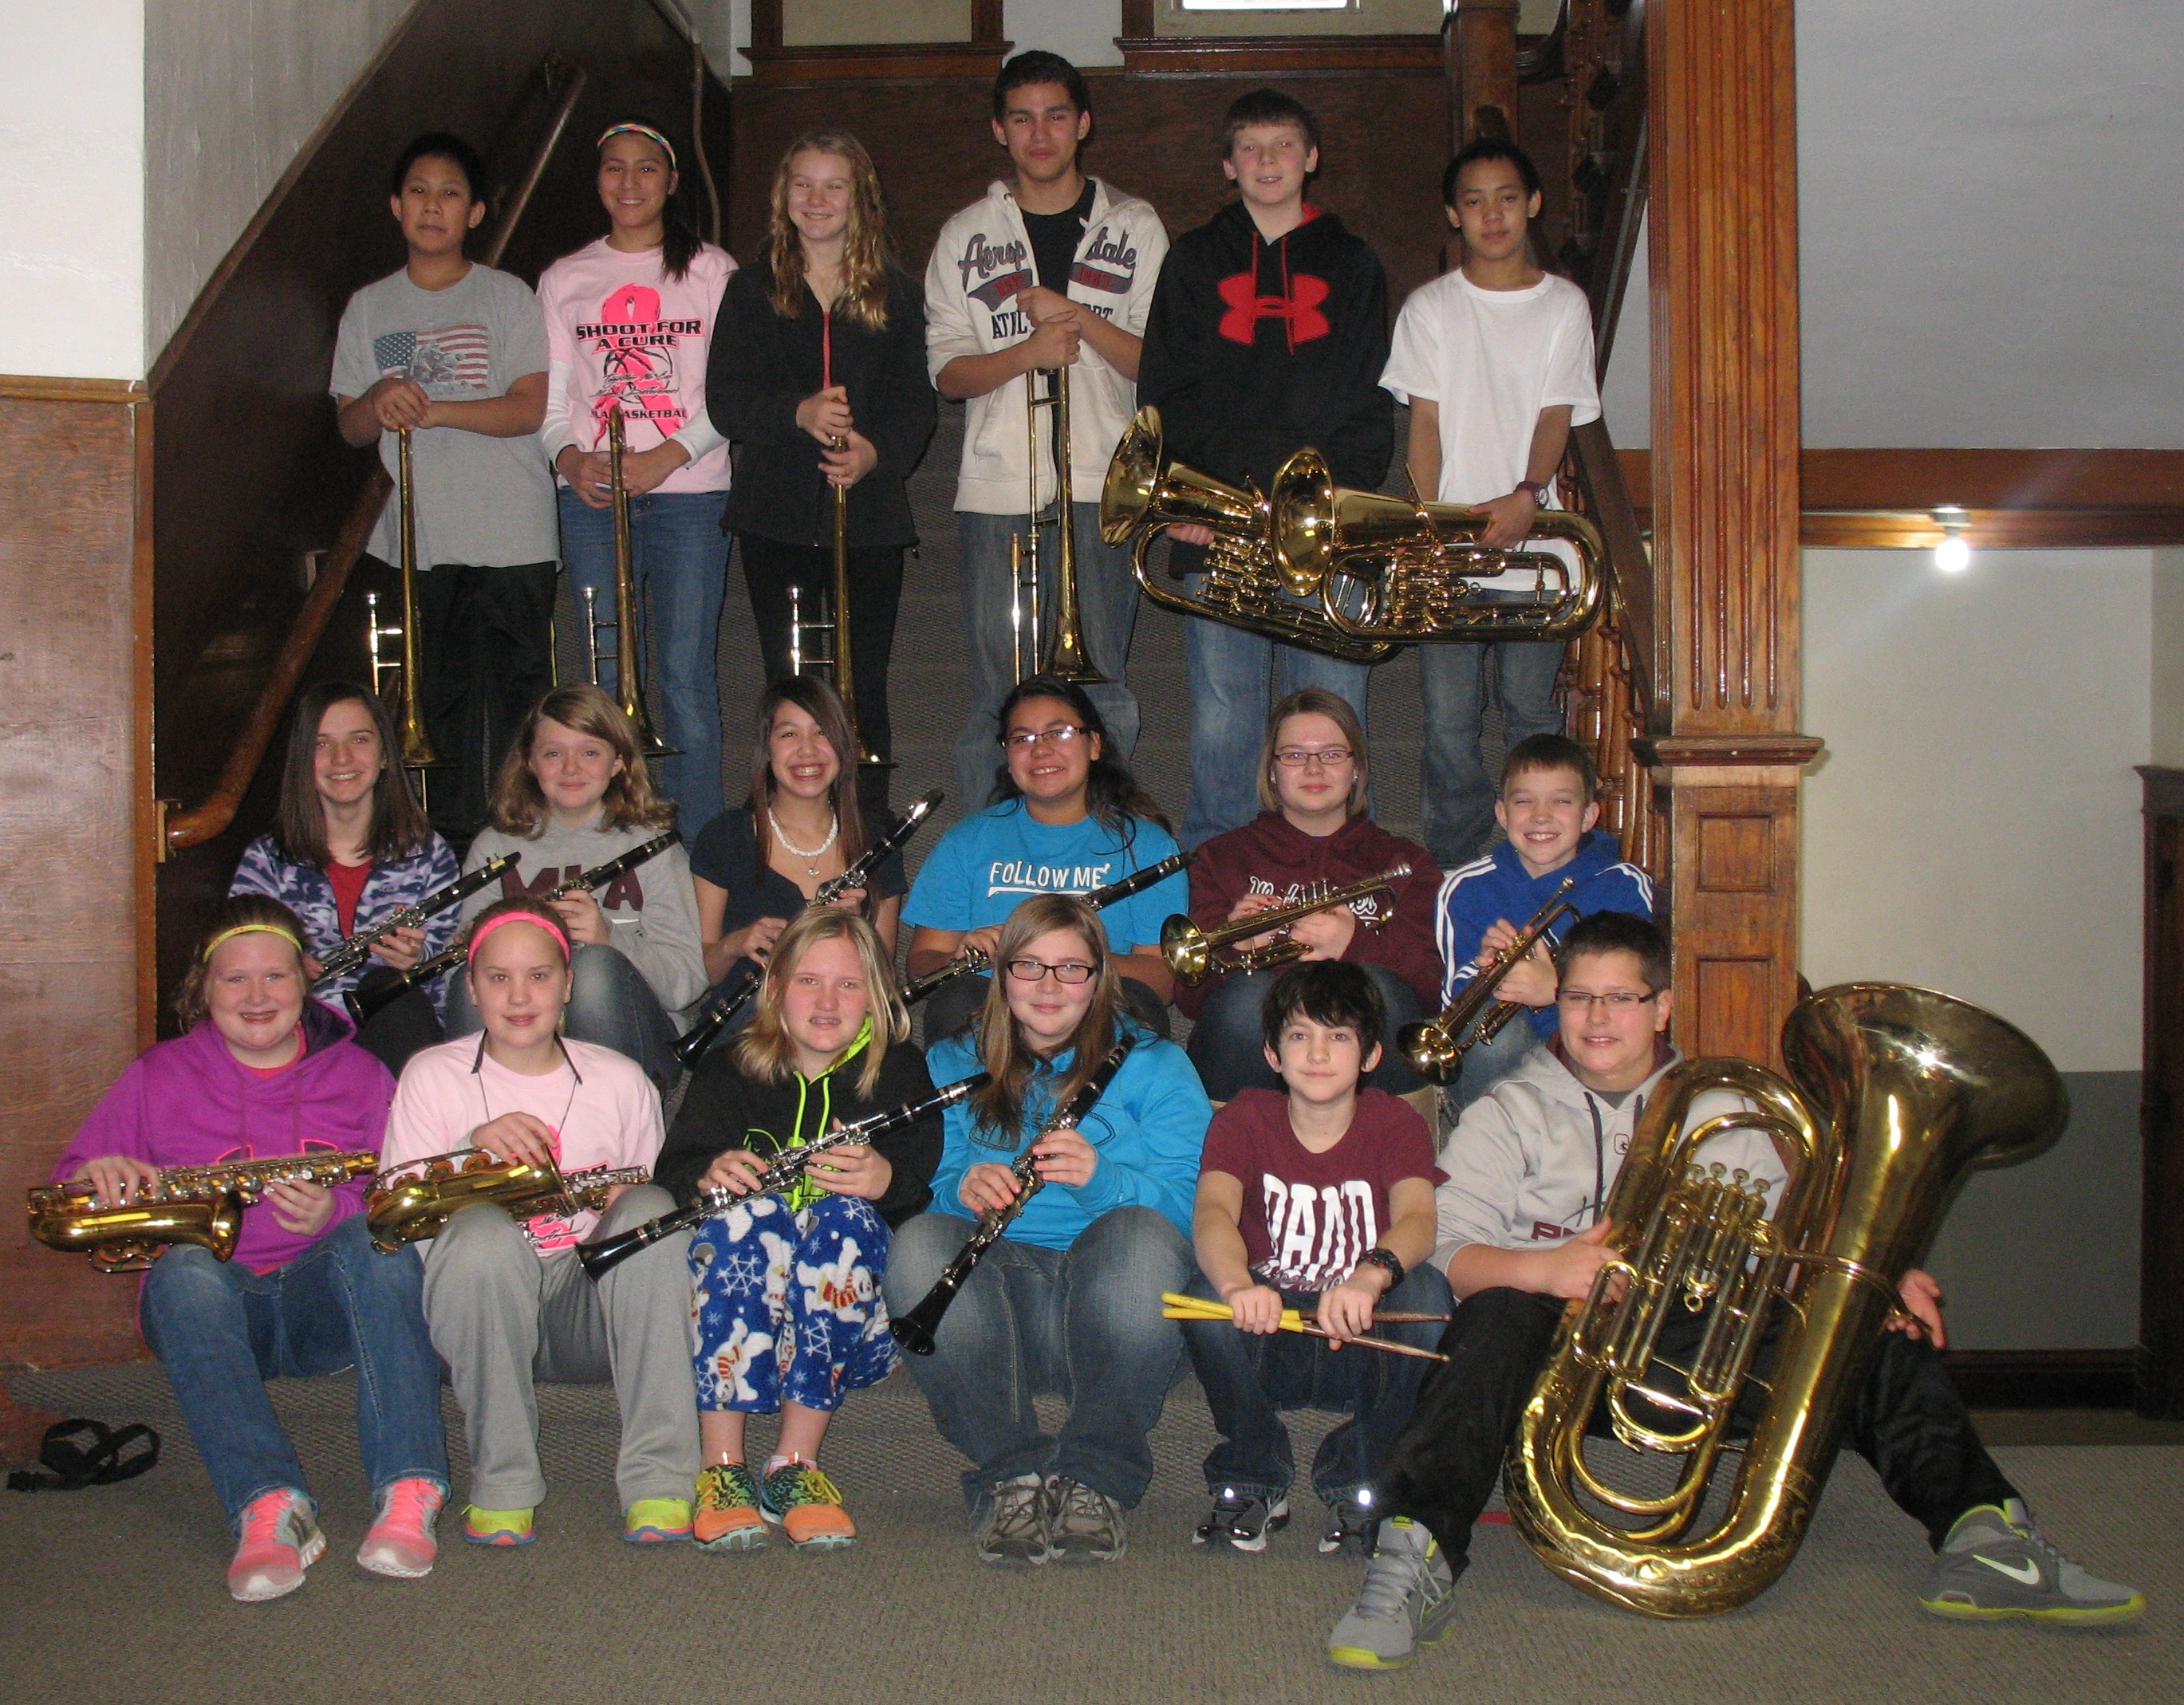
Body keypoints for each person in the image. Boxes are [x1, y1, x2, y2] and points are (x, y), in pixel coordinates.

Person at [1326, 912, 2146, 1670]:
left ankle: (1981, 1537)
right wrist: (1537, 1270)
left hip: (1692, 1340)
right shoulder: (1507, 1110)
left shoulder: (1729, 1107)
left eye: (1620, 996)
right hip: (1555, 1344)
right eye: (1577, 995)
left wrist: (1874, 1275)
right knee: (1492, 1313)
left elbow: (1783, 1252)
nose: (1596, 1015)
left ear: (1662, 1006)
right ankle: (1415, 1548)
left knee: (1861, 1331)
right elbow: (1452, 1248)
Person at [53, 896, 447, 1601]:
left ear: (306, 981)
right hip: (210, 1309)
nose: (258, 996)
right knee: (182, 1269)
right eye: (235, 980)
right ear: (202, 991)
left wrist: (338, 1210)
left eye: (276, 976)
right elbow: (70, 1183)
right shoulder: (156, 1075)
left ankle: (410, 1484)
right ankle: (269, 1505)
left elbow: (406, 1197)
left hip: (326, 1308)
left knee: (378, 1241)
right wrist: (97, 1177)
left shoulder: (361, 1075)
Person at [884, 895, 1212, 1567]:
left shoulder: (1156, 1065)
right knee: (917, 1244)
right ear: (1001, 974)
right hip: (1007, 1311)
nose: (1050, 987)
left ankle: (1096, 1477)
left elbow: (1196, 1210)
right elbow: (933, 1179)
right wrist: (961, 1188)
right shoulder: (952, 1061)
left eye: (1072, 969)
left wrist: (1103, 1179)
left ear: (1101, 978)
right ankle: (1011, 1473)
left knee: (1142, 1239)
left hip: (1123, 1313)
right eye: (1029, 967)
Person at [381, 896, 698, 1546]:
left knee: (652, 1211)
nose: (519, 996)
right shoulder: (431, 1076)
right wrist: (469, 1157)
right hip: (479, 1315)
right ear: (471, 987)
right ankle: (502, 1482)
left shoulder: (622, 1080)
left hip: (590, 1314)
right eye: (498, 978)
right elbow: (396, 1222)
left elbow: (639, 1212)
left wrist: (618, 1210)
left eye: (540, 976)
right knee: (476, 1235)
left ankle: (661, 1477)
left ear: (569, 986)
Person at [1135, 89, 1394, 849]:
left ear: (1311, 159)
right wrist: (1186, 502)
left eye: (1284, 145)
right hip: (1219, 528)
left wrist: (1334, 502)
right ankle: (1218, 885)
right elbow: (1165, 392)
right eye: (1251, 146)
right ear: (1228, 164)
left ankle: (1344, 876)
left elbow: (1370, 393)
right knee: (1224, 719)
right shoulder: (1192, 261)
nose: (1269, 159)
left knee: (1332, 713)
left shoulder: (1352, 264)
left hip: (1324, 525)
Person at [652, 909, 944, 1553]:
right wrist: (708, 1172)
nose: (827, 1000)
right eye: (808, 980)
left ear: (876, 996)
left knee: (844, 1221)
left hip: (847, 1324)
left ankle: (794, 1466)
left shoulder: (899, 1073)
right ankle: (722, 1467)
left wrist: (884, 1180)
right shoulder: (729, 1069)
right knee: (745, 1215)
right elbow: (671, 1169)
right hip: (732, 1306)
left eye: (848, 984)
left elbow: (920, 1185)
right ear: (775, 989)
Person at [925, 50, 1169, 816]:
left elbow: (1158, 364)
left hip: (1105, 483)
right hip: (999, 489)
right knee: (999, 689)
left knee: (1103, 687)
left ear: (1083, 124)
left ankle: (1103, 850)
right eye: (1023, 117)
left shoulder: (1134, 225)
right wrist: (1027, 354)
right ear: (1000, 129)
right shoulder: (966, 233)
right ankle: (991, 859)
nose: (1041, 133)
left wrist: (1079, 320)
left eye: (1057, 115)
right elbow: (945, 371)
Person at [1380, 138, 1603, 870]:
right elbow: (1425, 424)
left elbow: (1555, 414)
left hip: (1538, 543)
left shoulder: (1564, 304)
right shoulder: (1430, 307)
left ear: (1533, 203)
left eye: (1507, 196)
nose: (1493, 214)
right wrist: (1435, 525)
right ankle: (1457, 863)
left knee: (1530, 709)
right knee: (1448, 718)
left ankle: (1545, 856)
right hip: (1450, 548)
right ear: (1453, 215)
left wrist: (1526, 498)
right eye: (1473, 201)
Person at [1180, 961, 1451, 1557]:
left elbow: (1419, 1221)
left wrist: (1369, 1276)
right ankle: (1251, 1469)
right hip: (1269, 1327)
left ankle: (1361, 1474)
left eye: (1340, 1036)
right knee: (1201, 1297)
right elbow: (1212, 1215)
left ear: (1372, 1055)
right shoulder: (1244, 1119)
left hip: (1360, 1337)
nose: (1319, 1053)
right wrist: (1233, 1286)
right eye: (1300, 1036)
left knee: (1429, 1294)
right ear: (1273, 1055)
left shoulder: (1395, 1122)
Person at [332, 131, 557, 848]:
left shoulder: (506, 296)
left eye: (451, 193)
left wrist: (430, 406)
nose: (434, 206)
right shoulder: (368, 307)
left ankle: (523, 850)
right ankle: (449, 859)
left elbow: (527, 407)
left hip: (512, 533)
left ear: (478, 213)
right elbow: (350, 426)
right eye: (420, 192)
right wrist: (380, 398)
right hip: (418, 542)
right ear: (397, 207)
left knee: (518, 704)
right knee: (434, 709)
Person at [708, 129, 935, 810]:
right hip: (775, 515)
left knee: (864, 683)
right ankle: (789, 829)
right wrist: (797, 413)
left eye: (833, 185)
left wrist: (875, 454)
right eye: (802, 185)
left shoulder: (896, 292)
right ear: (783, 196)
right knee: (792, 682)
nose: (817, 199)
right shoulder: (750, 290)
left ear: (859, 198)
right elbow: (726, 401)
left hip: (867, 519)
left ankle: (864, 831)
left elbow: (915, 406)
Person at [538, 119, 738, 834]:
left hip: (690, 494)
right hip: (592, 499)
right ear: (597, 180)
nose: (629, 183)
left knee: (685, 678)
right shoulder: (565, 278)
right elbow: (553, 399)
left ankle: (698, 851)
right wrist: (567, 456)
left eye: (646, 169)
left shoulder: (712, 271)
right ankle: (610, 839)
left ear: (672, 180)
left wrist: (667, 455)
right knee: (602, 678)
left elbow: (733, 392)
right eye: (615, 168)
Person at [1176, 688, 1442, 1101]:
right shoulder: (1219, 857)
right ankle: (1232, 1153)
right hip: (1256, 1049)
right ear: (1271, 771)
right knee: (1246, 1000)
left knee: (1379, 991)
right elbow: (1189, 1003)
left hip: (1366, 1060)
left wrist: (1355, 943)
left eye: (1333, 754)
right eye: (1295, 755)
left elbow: (1432, 988)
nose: (1314, 768)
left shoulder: (1406, 862)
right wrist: (1234, 947)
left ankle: (1386, 1153)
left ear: (1357, 769)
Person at [902, 674, 1186, 1042]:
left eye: (1059, 733)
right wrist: (957, 958)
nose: (1040, 750)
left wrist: (1071, 958)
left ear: (1095, 745)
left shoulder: (1148, 846)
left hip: (1094, 1012)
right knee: (955, 1003)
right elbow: (922, 961)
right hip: (995, 1014)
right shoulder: (968, 840)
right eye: (1022, 739)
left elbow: (1161, 985)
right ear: (1007, 755)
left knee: (1136, 1008)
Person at [451, 685, 706, 1090]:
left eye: (590, 752)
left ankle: (604, 1121)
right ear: (530, 762)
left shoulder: (652, 846)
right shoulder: (494, 847)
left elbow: (686, 983)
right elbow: (464, 962)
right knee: (473, 977)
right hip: (524, 1035)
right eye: (553, 753)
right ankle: (484, 1114)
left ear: (619, 762)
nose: (571, 769)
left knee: (593, 969)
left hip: (637, 1044)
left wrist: (611, 940)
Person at [229, 681, 458, 1076]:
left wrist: (419, 960)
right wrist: (284, 962)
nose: (342, 758)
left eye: (360, 740)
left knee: (391, 989)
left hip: (402, 1043)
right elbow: (234, 956)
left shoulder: (429, 854)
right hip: (297, 1040)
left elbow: (453, 977)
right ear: (303, 759)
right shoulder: (266, 859)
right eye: (321, 744)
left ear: (385, 753)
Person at [1434, 733, 1651, 1111]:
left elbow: (1637, 996)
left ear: (1588, 816)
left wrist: (1558, 991)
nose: (1541, 816)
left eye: (1562, 801)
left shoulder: (1623, 887)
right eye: (1524, 801)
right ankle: (1494, 1149)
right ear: (1501, 814)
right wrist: (1487, 974)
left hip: (1590, 1049)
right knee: (1490, 1038)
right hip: (1500, 1063)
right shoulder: (1464, 889)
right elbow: (1454, 1011)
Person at [687, 677, 905, 1027]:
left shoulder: (877, 837)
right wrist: (735, 944)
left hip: (839, 1022)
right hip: (749, 1021)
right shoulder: (724, 837)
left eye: (822, 733)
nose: (808, 751)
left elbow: (882, 979)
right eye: (789, 734)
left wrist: (856, 928)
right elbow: (706, 976)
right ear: (767, 749)